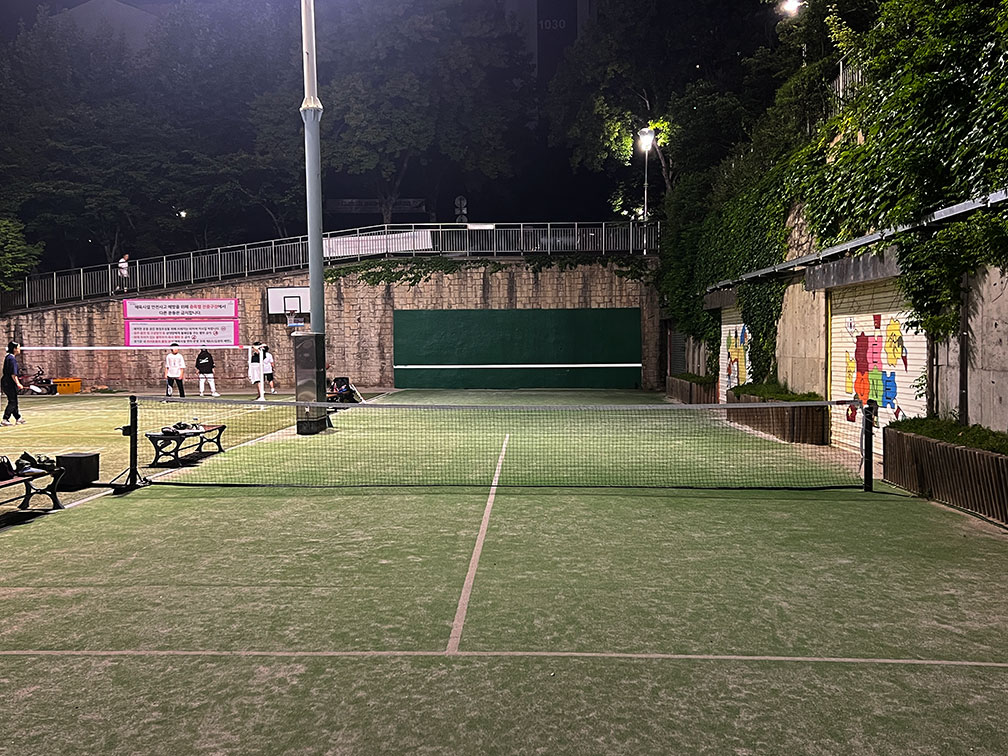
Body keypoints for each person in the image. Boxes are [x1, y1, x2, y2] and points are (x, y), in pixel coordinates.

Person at [2, 341, 26, 426]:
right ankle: (5, 419)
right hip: (9, 383)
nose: (19, 349)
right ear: (14, 349)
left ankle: (18, 418)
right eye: (18, 348)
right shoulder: (11, 359)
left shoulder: (8, 357)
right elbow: (13, 374)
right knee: (12, 402)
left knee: (14, 401)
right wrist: (18, 383)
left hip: (6, 382)